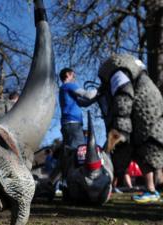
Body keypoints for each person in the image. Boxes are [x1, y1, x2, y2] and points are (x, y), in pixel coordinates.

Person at [98, 54, 163, 203]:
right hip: (151, 109)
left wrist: (120, 125)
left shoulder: (117, 73)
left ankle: (106, 190)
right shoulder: (134, 70)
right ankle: (151, 189)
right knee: (145, 153)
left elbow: (123, 94)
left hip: (142, 112)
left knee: (129, 150)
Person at [59, 68, 99, 150]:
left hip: (68, 126)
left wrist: (97, 97)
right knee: (80, 152)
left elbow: (84, 103)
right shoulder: (68, 85)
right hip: (73, 125)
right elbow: (88, 95)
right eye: (73, 75)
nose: (74, 78)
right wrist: (100, 89)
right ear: (67, 74)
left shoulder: (64, 90)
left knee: (72, 154)